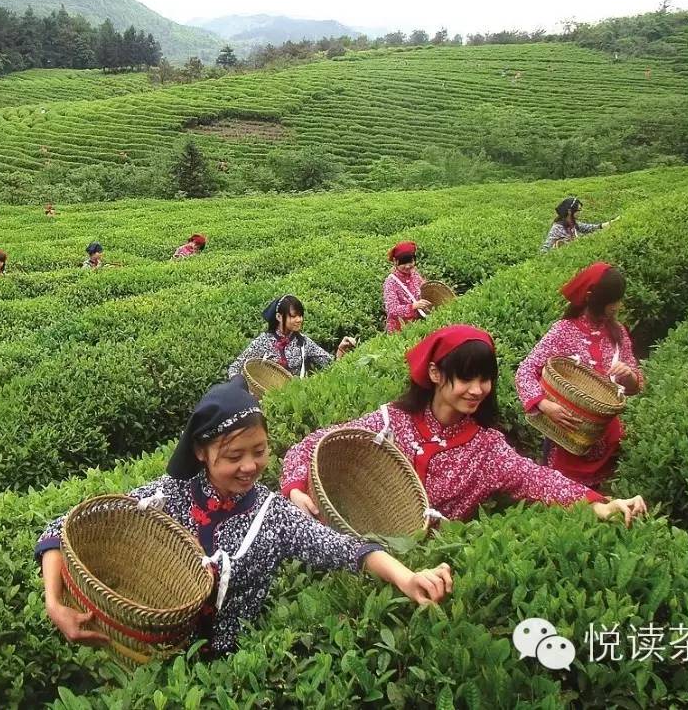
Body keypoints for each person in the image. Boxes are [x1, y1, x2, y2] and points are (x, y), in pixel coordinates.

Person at [35, 378, 453, 656]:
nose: (250, 467)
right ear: (202, 452)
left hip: (231, 665)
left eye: (260, 452)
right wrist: (55, 603)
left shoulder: (272, 516)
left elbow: (344, 548)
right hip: (150, 657)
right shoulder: (167, 496)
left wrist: (405, 576)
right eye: (234, 456)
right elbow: (60, 530)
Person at [281, 325, 648, 525]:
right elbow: (314, 443)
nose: (477, 391)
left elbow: (537, 479)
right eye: (466, 379)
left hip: (424, 569)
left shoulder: (486, 448)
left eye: (485, 379)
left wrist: (601, 504)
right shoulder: (393, 420)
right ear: (436, 373)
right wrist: (297, 489)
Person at [516, 263, 645, 487]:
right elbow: (525, 372)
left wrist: (629, 377)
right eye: (613, 300)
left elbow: (634, 386)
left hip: (607, 440)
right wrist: (544, 405)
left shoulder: (618, 332)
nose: (618, 306)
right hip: (567, 439)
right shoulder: (563, 331)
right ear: (591, 297)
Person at [228, 295, 356, 379]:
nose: (299, 320)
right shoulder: (262, 342)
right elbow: (234, 368)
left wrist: (341, 350)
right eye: (293, 316)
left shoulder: (303, 342)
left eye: (300, 315)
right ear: (279, 317)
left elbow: (331, 365)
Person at [383, 241, 431, 333]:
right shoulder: (391, 282)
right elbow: (392, 309)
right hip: (400, 330)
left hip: (418, 325)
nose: (408, 266)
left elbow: (424, 291)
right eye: (403, 263)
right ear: (395, 262)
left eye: (411, 262)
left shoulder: (415, 275)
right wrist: (412, 306)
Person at [541, 197, 610, 252]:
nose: (580, 212)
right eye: (579, 210)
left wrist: (612, 222)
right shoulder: (557, 228)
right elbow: (544, 250)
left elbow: (591, 227)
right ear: (569, 211)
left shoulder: (574, 224)